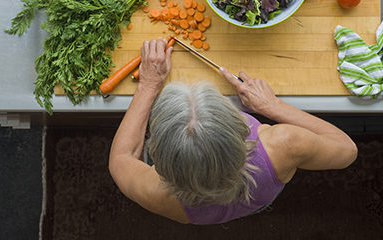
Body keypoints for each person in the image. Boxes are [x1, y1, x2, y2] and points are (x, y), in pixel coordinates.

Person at [109, 38, 358, 225]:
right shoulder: (285, 144)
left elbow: (121, 158)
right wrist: (272, 106)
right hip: (258, 197)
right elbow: (347, 149)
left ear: (157, 154)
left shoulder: (155, 192)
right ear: (238, 126)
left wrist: (149, 85)